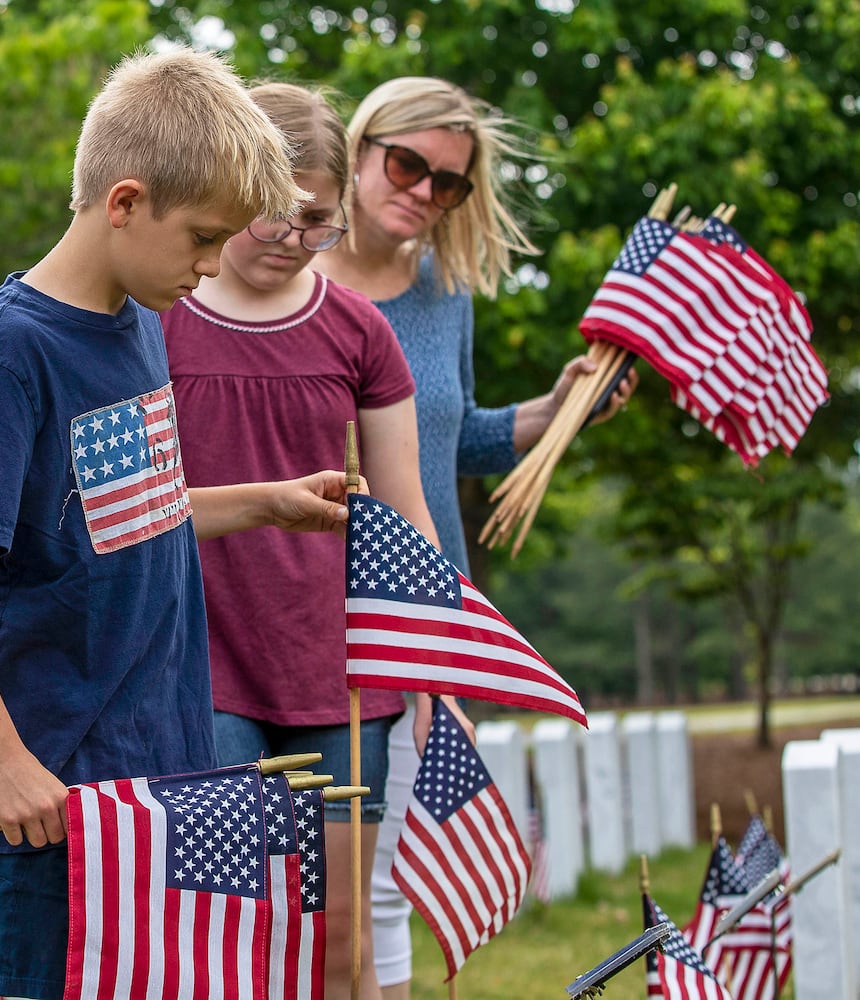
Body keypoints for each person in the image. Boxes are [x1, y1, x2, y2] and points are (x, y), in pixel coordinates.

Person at [0, 48, 354, 1000]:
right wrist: (0, 758)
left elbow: (122, 517)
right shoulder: (14, 353)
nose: (215, 265)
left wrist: (265, 503)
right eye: (204, 237)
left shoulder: (136, 320)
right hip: (52, 797)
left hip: (164, 773)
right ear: (126, 202)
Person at [312, 76, 637, 998]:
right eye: (407, 164)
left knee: (386, 884)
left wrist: (559, 407)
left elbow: (453, 439)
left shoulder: (445, 296)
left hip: (418, 615)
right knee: (308, 882)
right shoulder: (285, 274)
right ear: (363, 148)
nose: (422, 191)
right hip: (304, 610)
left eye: (446, 183)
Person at [161, 81, 452, 999]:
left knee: (340, 941)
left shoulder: (360, 330)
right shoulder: (158, 318)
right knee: (228, 933)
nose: (292, 238)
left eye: (317, 222)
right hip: (196, 662)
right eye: (274, 215)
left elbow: (405, 511)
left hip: (335, 670)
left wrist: (437, 668)